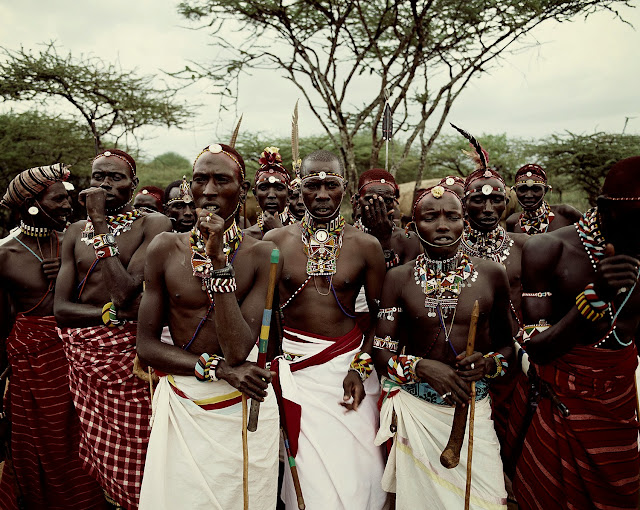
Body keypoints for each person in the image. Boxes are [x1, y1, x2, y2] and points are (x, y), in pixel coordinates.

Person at [136, 143, 280, 510]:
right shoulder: (164, 248)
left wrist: (219, 265)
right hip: (183, 403)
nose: (210, 191)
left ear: (242, 190)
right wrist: (215, 369)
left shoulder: (262, 255)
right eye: (201, 179)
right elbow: (147, 347)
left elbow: (238, 350)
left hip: (242, 408)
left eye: (222, 180)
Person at [508, 156, 640, 509]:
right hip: (560, 402)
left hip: (619, 403)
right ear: (606, 209)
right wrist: (595, 296)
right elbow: (536, 348)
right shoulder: (548, 248)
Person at [373, 184, 513, 509]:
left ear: (465, 221)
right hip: (418, 412)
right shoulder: (398, 278)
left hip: (473, 411)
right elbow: (382, 351)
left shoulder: (491, 275)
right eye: (430, 217)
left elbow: (510, 350)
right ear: (412, 226)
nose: (442, 226)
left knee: (485, 501)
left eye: (452, 217)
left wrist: (488, 365)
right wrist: (420, 367)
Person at [264, 150, 388, 509]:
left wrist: (361, 365)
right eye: (312, 185)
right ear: (296, 189)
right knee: (310, 480)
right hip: (296, 373)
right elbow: (266, 316)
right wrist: (272, 367)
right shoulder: (276, 243)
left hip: (350, 368)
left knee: (363, 466)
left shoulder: (366, 246)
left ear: (345, 190)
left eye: (330, 185)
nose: (321, 195)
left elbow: (383, 319)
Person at [54, 149, 172, 510]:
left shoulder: (154, 225)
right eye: (98, 177)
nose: (105, 184)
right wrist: (107, 316)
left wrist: (100, 225)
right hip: (90, 360)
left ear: (133, 184)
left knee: (142, 443)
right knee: (105, 450)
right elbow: (61, 309)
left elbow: (124, 292)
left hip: (131, 359)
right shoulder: (74, 232)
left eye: (115, 177)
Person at [0, 164, 104, 509]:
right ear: (31, 203)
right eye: (58, 199)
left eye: (68, 198)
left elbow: (97, 298)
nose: (67, 206)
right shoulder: (4, 254)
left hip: (79, 358)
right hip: (32, 367)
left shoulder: (76, 241)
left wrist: (67, 272)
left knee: (81, 439)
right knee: (42, 442)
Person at [506, 164, 581, 234]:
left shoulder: (565, 214)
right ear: (515, 191)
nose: (529, 195)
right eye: (522, 190)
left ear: (545, 191)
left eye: (536, 189)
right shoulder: (512, 222)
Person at [245, 146, 296, 240]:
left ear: (289, 194)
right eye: (263, 188)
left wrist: (278, 231)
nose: (271, 195)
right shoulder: (246, 237)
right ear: (255, 194)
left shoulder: (302, 233)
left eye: (279, 188)